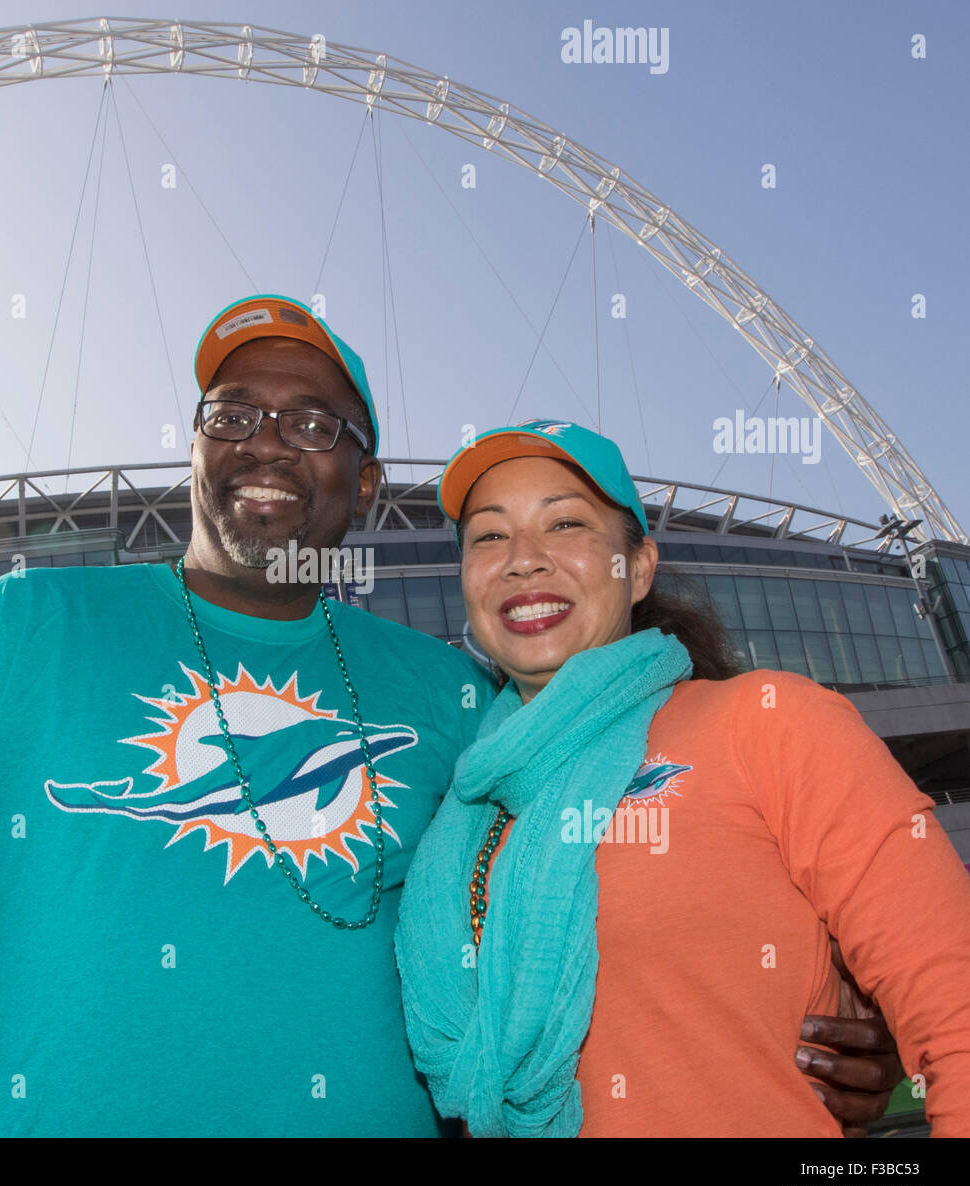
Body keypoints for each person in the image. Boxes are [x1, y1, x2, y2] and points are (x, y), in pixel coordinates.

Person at [0, 301, 900, 1137]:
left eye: (314, 422)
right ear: (196, 445)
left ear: (364, 486)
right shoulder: (20, 628)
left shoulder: (459, 697)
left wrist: (822, 1003)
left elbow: (595, 911)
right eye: (234, 412)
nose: (267, 440)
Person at [395, 419, 970, 1137]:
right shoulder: (465, 803)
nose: (522, 560)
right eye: (488, 535)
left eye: (565, 522)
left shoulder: (767, 722)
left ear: (637, 568)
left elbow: (954, 1005)